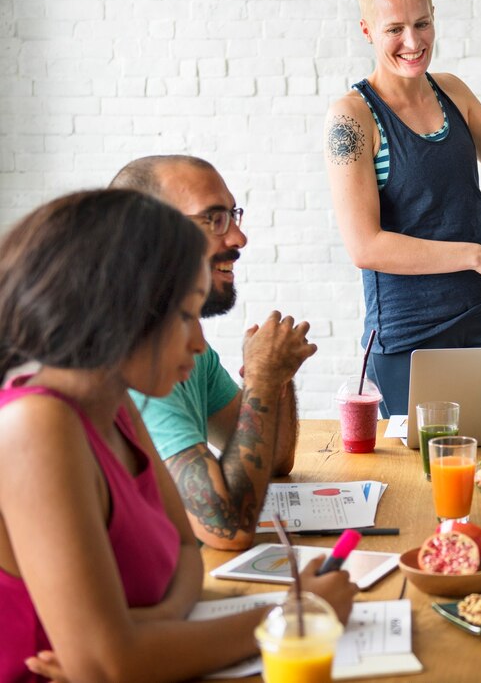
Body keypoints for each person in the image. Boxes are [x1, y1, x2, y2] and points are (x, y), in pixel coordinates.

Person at [0, 189, 355, 683]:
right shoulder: (35, 427)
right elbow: (109, 664)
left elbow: (186, 556)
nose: (199, 342)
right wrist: (296, 615)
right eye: (186, 315)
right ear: (118, 310)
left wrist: (147, 629)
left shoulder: (118, 405)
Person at [324, 0, 481, 415]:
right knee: (423, 463)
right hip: (410, 339)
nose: (413, 41)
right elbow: (365, 246)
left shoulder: (452, 91)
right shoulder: (352, 117)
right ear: (367, 30)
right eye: (394, 29)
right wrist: (476, 255)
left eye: (422, 24)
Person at [110, 155, 317, 550]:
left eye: (233, 216)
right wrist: (262, 378)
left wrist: (275, 376)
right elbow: (228, 529)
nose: (239, 238)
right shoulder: (138, 363)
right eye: (215, 219)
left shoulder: (188, 347)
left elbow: (273, 459)